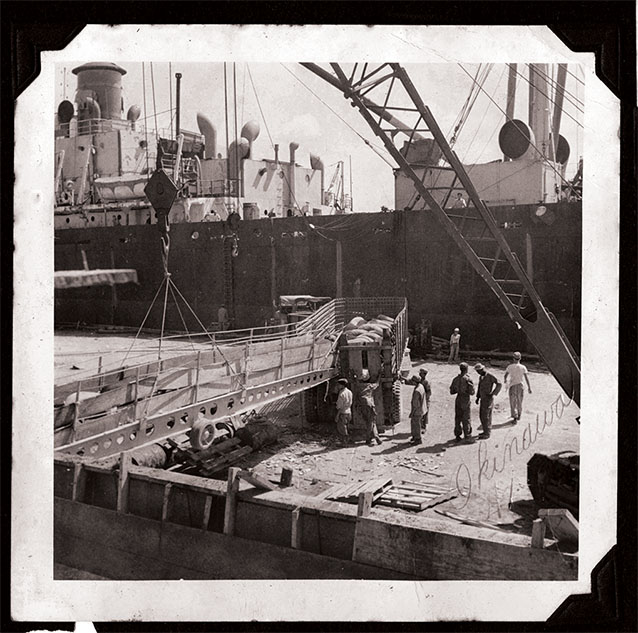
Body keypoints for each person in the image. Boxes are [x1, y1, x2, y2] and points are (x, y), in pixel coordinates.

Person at [474, 363, 502, 439]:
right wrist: (477, 397)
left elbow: (499, 383)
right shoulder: (481, 377)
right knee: (482, 415)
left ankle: (487, 433)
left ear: (482, 369)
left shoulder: (490, 376)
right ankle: (485, 431)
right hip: (482, 398)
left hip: (488, 399)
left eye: (478, 371)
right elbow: (479, 387)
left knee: (486, 416)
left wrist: (493, 393)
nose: (478, 373)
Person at [449, 362, 475, 442]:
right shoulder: (468, 379)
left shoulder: (455, 379)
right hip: (465, 399)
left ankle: (457, 435)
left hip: (458, 399)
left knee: (458, 418)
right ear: (467, 369)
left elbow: (452, 392)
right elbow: (472, 392)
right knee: (466, 418)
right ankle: (467, 435)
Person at [504, 351, 532, 422]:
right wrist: (529, 387)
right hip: (520, 385)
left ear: (513, 358)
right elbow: (526, 378)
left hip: (512, 385)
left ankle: (515, 417)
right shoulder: (523, 367)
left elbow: (505, 375)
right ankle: (519, 415)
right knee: (519, 401)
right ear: (520, 359)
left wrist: (505, 381)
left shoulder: (510, 367)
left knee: (513, 401)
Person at [356, 372, 382, 446]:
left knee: (370, 422)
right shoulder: (370, 386)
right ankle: (369, 438)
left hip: (362, 406)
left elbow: (355, 381)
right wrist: (379, 375)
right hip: (370, 406)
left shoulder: (358, 385)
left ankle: (376, 438)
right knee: (371, 422)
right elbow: (377, 383)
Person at [408, 375, 427, 444]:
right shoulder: (421, 386)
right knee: (415, 423)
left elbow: (415, 404)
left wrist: (412, 412)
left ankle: (418, 439)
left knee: (416, 425)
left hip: (417, 410)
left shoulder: (416, 391)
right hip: (422, 409)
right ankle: (414, 436)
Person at [335, 378, 353, 444]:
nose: (337, 386)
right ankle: (349, 440)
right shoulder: (349, 392)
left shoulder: (341, 394)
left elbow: (340, 406)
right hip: (349, 412)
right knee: (347, 427)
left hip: (343, 413)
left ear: (342, 385)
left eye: (338, 385)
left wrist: (337, 415)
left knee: (342, 429)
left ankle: (344, 442)